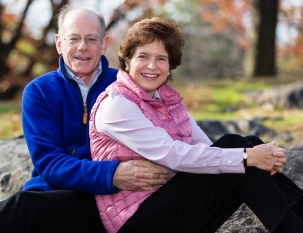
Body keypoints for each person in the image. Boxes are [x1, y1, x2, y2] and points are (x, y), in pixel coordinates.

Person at [0, 6, 172, 233]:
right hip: (57, 195)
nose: (82, 47)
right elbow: (50, 163)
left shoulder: (128, 85)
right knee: (23, 208)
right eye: (73, 38)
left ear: (104, 44)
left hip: (117, 201)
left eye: (91, 39)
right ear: (59, 43)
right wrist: (111, 174)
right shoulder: (39, 91)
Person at [89, 17, 303, 233]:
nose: (152, 66)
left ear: (170, 65)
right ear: (127, 60)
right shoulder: (115, 104)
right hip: (138, 221)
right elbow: (171, 154)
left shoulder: (169, 102)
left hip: (170, 201)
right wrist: (247, 157)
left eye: (161, 58)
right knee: (240, 153)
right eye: (143, 56)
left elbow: (206, 149)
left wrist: (255, 156)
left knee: (249, 144)